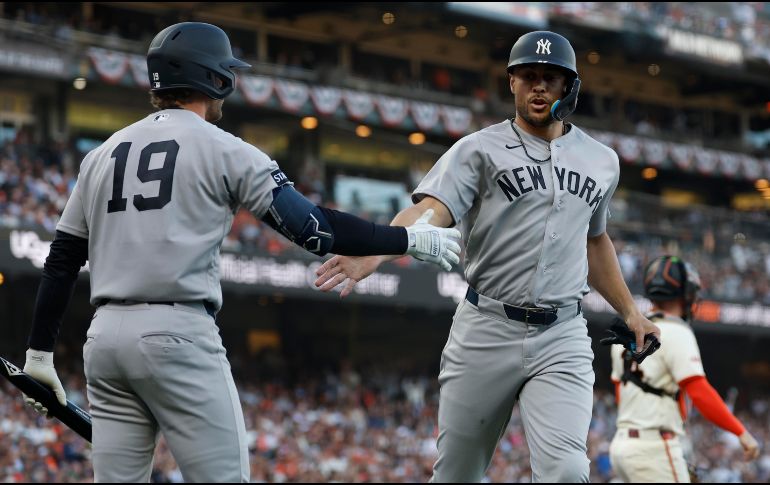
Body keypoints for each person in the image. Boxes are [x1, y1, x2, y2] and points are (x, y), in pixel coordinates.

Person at [20, 22, 461, 483]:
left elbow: (62, 261)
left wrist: (39, 353)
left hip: (105, 341)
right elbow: (315, 230)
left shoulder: (101, 154)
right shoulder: (224, 148)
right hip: (177, 333)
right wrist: (406, 239)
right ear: (213, 78)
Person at [314, 30, 661, 482]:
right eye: (528, 76)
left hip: (561, 334)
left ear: (569, 86)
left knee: (567, 470)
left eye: (551, 78)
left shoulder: (602, 161)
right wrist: (376, 250)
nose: (539, 87)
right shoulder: (477, 149)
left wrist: (632, 312)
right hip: (486, 328)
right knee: (457, 474)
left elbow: (595, 241)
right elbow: (431, 210)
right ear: (512, 82)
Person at [607, 255, 761, 482]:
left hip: (622, 446)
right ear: (686, 294)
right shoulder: (676, 330)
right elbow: (698, 390)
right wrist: (741, 431)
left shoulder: (629, 332)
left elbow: (621, 392)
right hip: (654, 448)